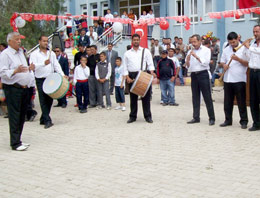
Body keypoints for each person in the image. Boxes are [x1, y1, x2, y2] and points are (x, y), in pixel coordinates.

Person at [0, 32, 35, 151]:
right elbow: (3, 73)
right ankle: (14, 143)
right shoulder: (5, 54)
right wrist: (15, 71)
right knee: (14, 115)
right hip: (13, 88)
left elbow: (24, 69)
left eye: (20, 39)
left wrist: (29, 70)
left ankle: (18, 139)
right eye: (16, 39)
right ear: (10, 41)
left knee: (21, 115)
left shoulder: (21, 52)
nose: (19, 41)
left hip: (24, 88)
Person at [29, 35, 65, 129]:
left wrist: (62, 74)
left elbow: (56, 65)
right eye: (44, 41)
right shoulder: (34, 54)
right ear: (39, 42)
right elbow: (32, 66)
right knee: (43, 99)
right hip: (40, 79)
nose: (45, 43)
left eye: (46, 41)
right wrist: (43, 63)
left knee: (50, 99)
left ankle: (43, 118)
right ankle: (47, 120)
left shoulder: (51, 53)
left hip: (50, 78)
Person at [123, 34, 156, 123]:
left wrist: (152, 72)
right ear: (132, 41)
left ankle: (148, 116)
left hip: (143, 74)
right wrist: (127, 77)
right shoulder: (127, 53)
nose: (136, 41)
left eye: (137, 40)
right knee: (133, 98)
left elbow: (150, 63)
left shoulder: (146, 51)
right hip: (132, 75)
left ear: (139, 40)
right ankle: (133, 116)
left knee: (146, 97)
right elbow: (125, 66)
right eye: (134, 40)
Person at [219, 32, 249, 129]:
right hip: (228, 79)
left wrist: (238, 59)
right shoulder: (226, 49)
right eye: (230, 42)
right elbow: (222, 61)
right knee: (227, 101)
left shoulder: (244, 48)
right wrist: (224, 65)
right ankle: (228, 120)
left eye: (234, 42)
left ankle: (244, 121)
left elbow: (247, 63)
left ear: (237, 39)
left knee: (241, 101)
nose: (232, 44)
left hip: (239, 79)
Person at [185, 34, 215, 126]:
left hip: (203, 74)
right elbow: (187, 65)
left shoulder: (206, 50)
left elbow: (206, 63)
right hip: (194, 75)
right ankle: (196, 117)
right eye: (191, 42)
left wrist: (197, 57)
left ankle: (212, 118)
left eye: (194, 42)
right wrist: (188, 59)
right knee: (195, 96)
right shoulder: (190, 51)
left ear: (199, 41)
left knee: (207, 97)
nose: (193, 44)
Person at [244, 25, 260, 131]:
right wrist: (246, 48)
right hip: (252, 73)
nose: (255, 34)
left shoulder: (254, 47)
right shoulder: (253, 44)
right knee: (253, 99)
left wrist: (249, 47)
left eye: (257, 32)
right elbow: (248, 57)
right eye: (254, 31)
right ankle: (256, 123)